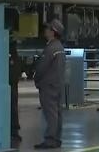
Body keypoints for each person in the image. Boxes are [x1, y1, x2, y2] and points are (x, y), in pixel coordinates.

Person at [34, 19, 66, 149]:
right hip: (57, 84)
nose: (45, 31)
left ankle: (50, 139)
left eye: (48, 29)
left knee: (50, 113)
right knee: (57, 112)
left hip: (48, 85)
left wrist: (36, 79)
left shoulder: (50, 48)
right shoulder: (60, 48)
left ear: (53, 32)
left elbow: (42, 67)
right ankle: (56, 138)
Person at [9, 39, 23, 143]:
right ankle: (14, 131)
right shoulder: (14, 55)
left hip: (11, 83)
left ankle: (13, 131)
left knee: (12, 107)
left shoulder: (12, 54)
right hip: (12, 84)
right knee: (13, 107)